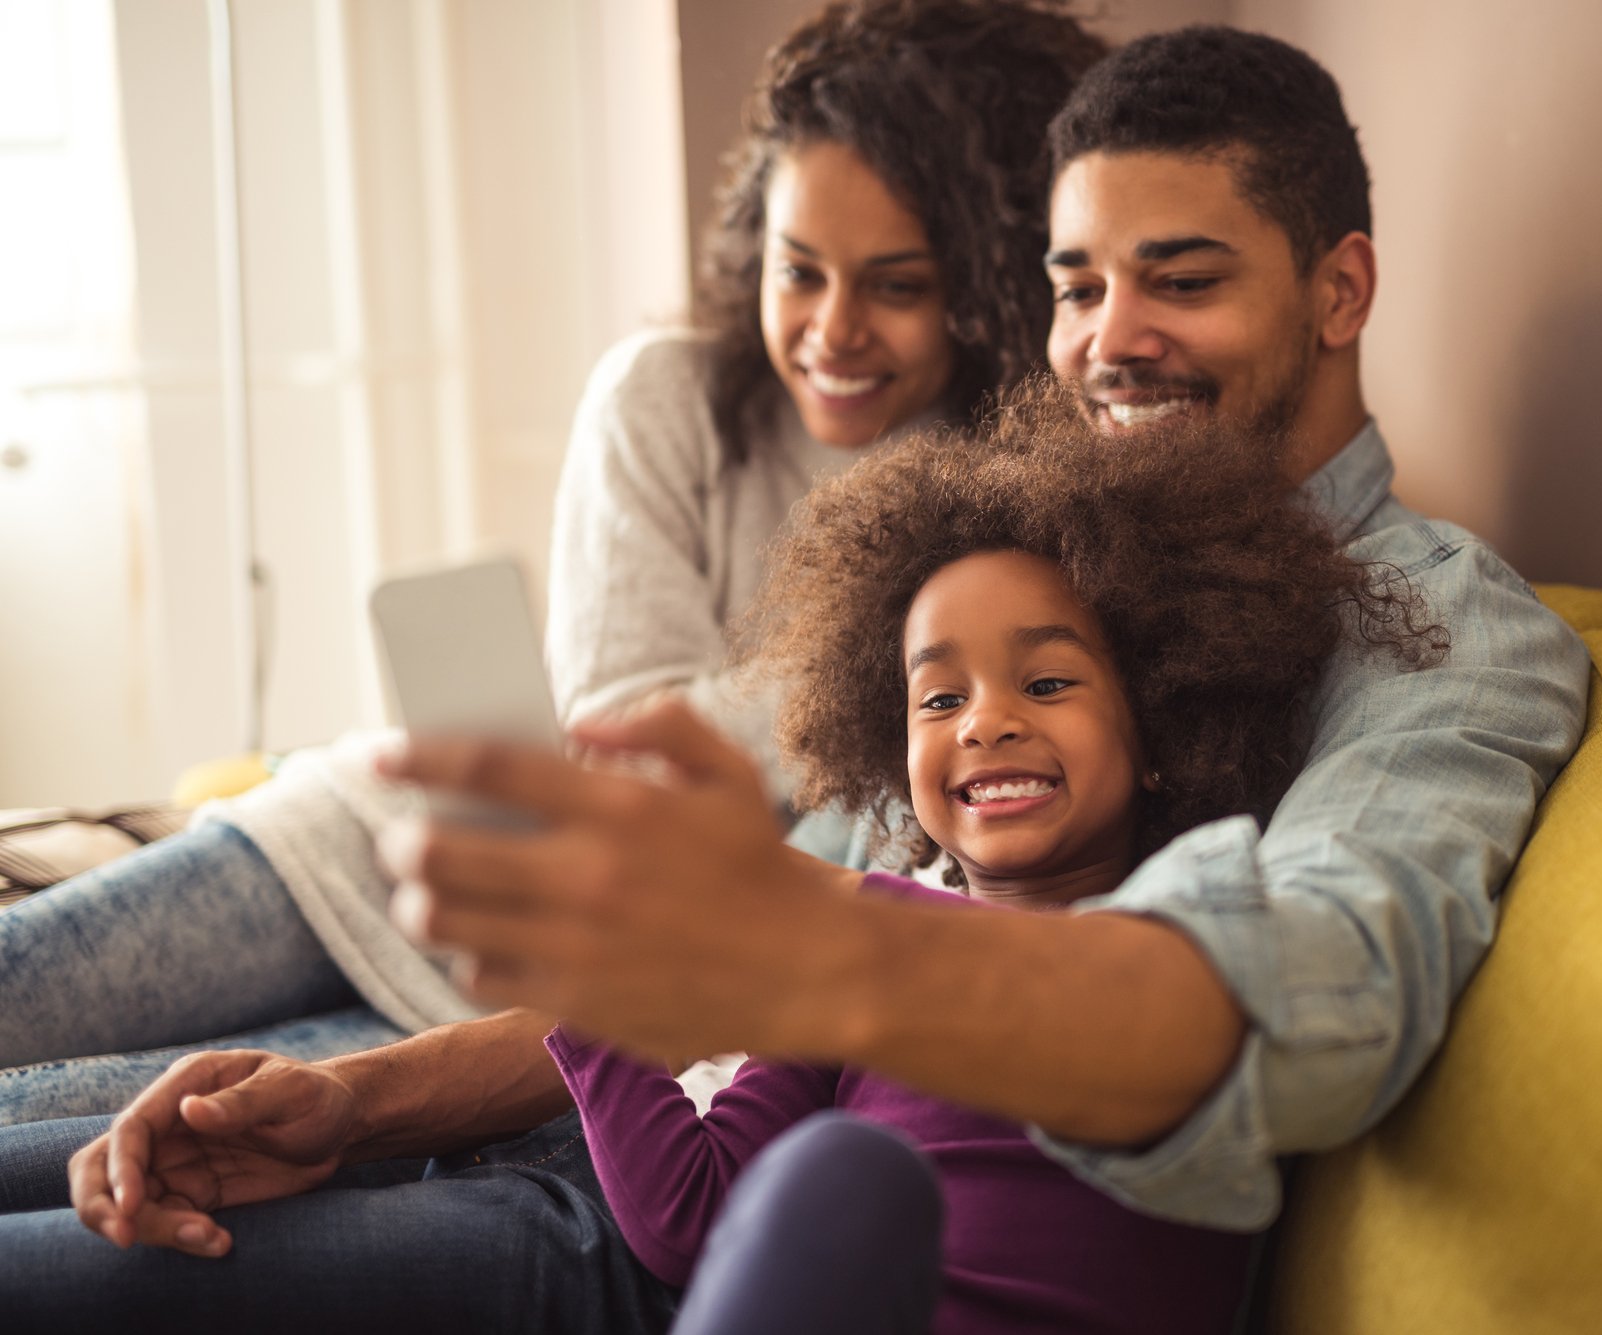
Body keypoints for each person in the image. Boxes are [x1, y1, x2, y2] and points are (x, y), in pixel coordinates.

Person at [4, 21, 1590, 1318]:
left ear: (1340, 289)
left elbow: (1310, 992)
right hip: (633, 1141)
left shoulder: (1440, 635)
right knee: (68, 1137)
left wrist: (829, 950)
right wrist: (364, 1105)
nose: (1111, 339)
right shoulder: (1030, 546)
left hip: (710, 1247)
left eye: (1180, 278)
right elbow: (765, 939)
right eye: (1075, 284)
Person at [0, 0, 1105, 1125]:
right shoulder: (663, 398)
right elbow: (625, 752)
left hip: (550, 1013)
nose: (831, 329)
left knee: (78, 1118)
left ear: (988, 284)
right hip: (367, 847)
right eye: (797, 270)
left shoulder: (1009, 494)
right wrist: (877, 661)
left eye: (898, 285)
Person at [552, 386, 1447, 1333]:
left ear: (1160, 727)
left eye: (1048, 682)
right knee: (842, 1177)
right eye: (938, 700)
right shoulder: (856, 958)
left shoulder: (1183, 951)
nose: (985, 722)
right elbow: (694, 1217)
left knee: (844, 1169)